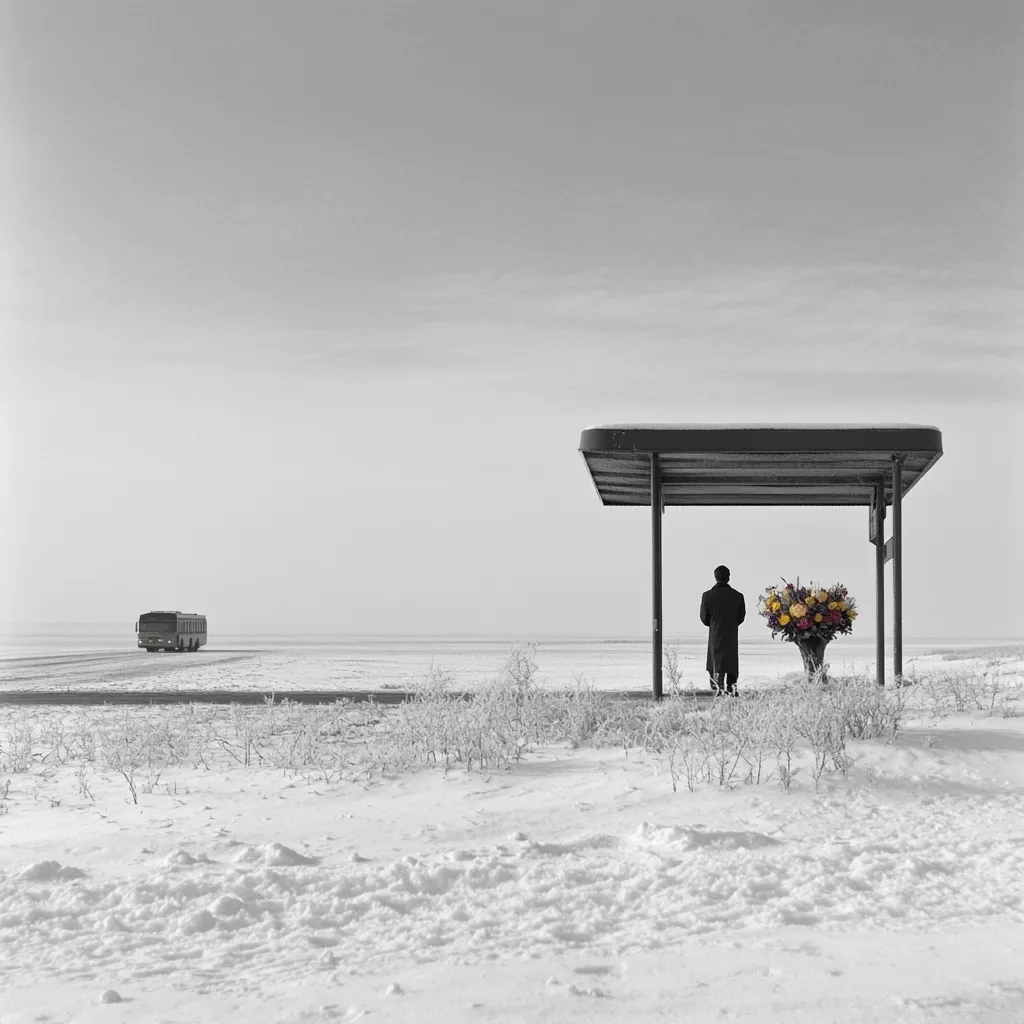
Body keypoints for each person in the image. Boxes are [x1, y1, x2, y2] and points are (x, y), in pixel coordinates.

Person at [700, 565, 745, 695]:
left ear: (715, 577)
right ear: (728, 577)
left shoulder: (707, 596)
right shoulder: (738, 596)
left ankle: (718, 687)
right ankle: (731, 688)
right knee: (731, 662)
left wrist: (714, 623)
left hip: (715, 634)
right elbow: (741, 617)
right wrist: (730, 624)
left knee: (715, 661)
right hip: (731, 634)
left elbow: (704, 618)